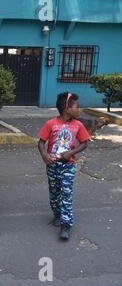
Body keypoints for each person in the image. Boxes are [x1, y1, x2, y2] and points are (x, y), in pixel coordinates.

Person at [37, 92, 90, 240]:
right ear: (67, 108)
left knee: (66, 194)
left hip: (68, 165)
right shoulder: (50, 124)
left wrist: (72, 152)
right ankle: (57, 214)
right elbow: (41, 142)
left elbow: (84, 143)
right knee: (54, 193)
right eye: (76, 107)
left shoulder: (78, 125)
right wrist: (44, 155)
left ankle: (66, 225)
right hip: (52, 165)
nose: (79, 109)